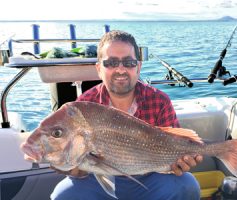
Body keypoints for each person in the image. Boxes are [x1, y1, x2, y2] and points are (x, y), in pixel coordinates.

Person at [51, 30, 203, 200]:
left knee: (187, 185)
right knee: (63, 194)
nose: (121, 70)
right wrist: (63, 162)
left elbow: (176, 148)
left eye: (129, 62)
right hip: (100, 179)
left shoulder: (159, 101)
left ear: (138, 67)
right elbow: (78, 166)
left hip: (150, 178)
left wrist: (181, 163)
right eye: (111, 63)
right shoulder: (84, 105)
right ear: (99, 69)